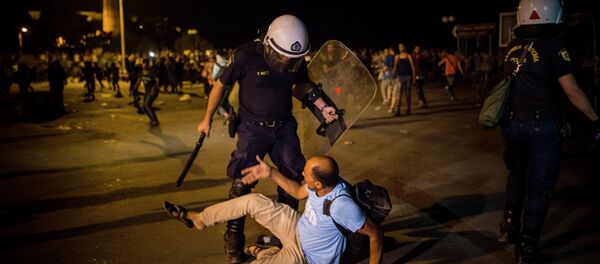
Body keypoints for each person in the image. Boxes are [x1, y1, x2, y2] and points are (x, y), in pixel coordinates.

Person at [196, 14, 339, 263]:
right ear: (269, 43)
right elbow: (220, 85)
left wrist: (323, 106)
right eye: (282, 55)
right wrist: (207, 117)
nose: (286, 62)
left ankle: (281, 239)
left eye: (292, 59)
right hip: (252, 129)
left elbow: (302, 86)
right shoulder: (245, 55)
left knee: (294, 176)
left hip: (284, 127)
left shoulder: (294, 60)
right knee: (243, 181)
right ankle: (233, 245)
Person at [497, 0, 600, 263]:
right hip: (541, 125)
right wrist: (594, 118)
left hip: (512, 123)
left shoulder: (513, 47)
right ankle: (527, 247)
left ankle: (509, 227)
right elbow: (571, 89)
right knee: (540, 186)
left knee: (517, 173)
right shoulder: (554, 46)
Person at [164, 155, 382, 264]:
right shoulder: (325, 183)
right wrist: (270, 172)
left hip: (304, 256)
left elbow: (375, 234)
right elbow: (297, 191)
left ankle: (265, 253)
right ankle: (201, 219)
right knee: (253, 201)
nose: (303, 175)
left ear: (318, 184)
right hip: (297, 227)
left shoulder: (342, 206)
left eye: (307, 174)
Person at [134, 59, 160, 127]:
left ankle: (154, 121)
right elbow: (138, 82)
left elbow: (157, 80)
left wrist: (155, 87)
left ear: (148, 65)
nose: (145, 65)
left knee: (147, 105)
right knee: (145, 107)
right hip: (147, 92)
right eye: (144, 64)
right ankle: (153, 120)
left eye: (146, 64)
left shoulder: (151, 73)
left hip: (153, 92)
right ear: (142, 64)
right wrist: (134, 90)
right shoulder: (140, 73)